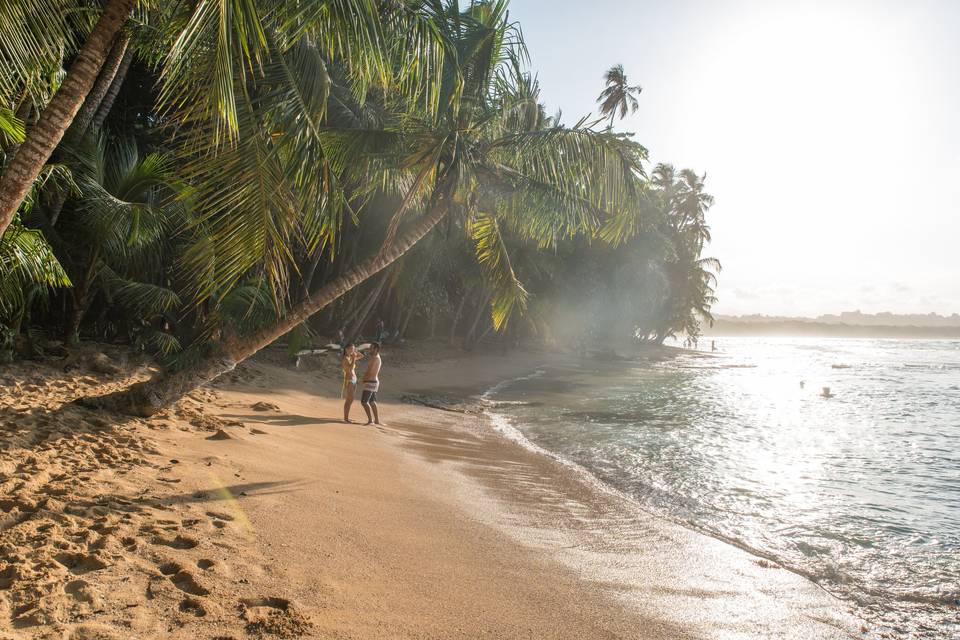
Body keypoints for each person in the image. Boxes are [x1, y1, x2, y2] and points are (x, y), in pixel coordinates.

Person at [360, 342, 382, 425]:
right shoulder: (377, 357)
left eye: (371, 348)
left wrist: (363, 379)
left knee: (364, 402)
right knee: (372, 401)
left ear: (376, 349)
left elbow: (370, 371)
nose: (369, 349)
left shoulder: (375, 358)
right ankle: (376, 420)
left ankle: (370, 420)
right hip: (374, 381)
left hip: (371, 381)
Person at [341, 343, 363, 423]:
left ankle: (347, 416)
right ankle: (346, 418)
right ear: (346, 349)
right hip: (349, 380)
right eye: (350, 349)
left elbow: (361, 356)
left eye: (353, 349)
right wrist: (353, 358)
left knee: (351, 399)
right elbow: (349, 369)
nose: (352, 351)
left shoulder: (350, 357)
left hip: (354, 380)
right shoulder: (345, 358)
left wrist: (355, 350)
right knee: (348, 399)